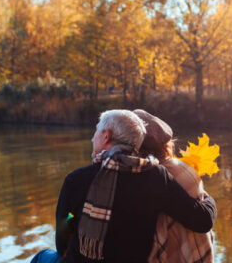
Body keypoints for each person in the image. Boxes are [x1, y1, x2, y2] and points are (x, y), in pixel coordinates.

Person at [51, 109, 217, 263]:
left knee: (41, 257)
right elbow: (202, 221)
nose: (92, 138)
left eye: (96, 131)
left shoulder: (76, 180)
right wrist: (206, 197)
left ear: (106, 136)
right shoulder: (156, 176)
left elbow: (62, 238)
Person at [133, 109, 214, 263]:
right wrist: (210, 200)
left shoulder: (154, 177)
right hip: (196, 255)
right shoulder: (183, 167)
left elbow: (201, 219)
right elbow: (202, 216)